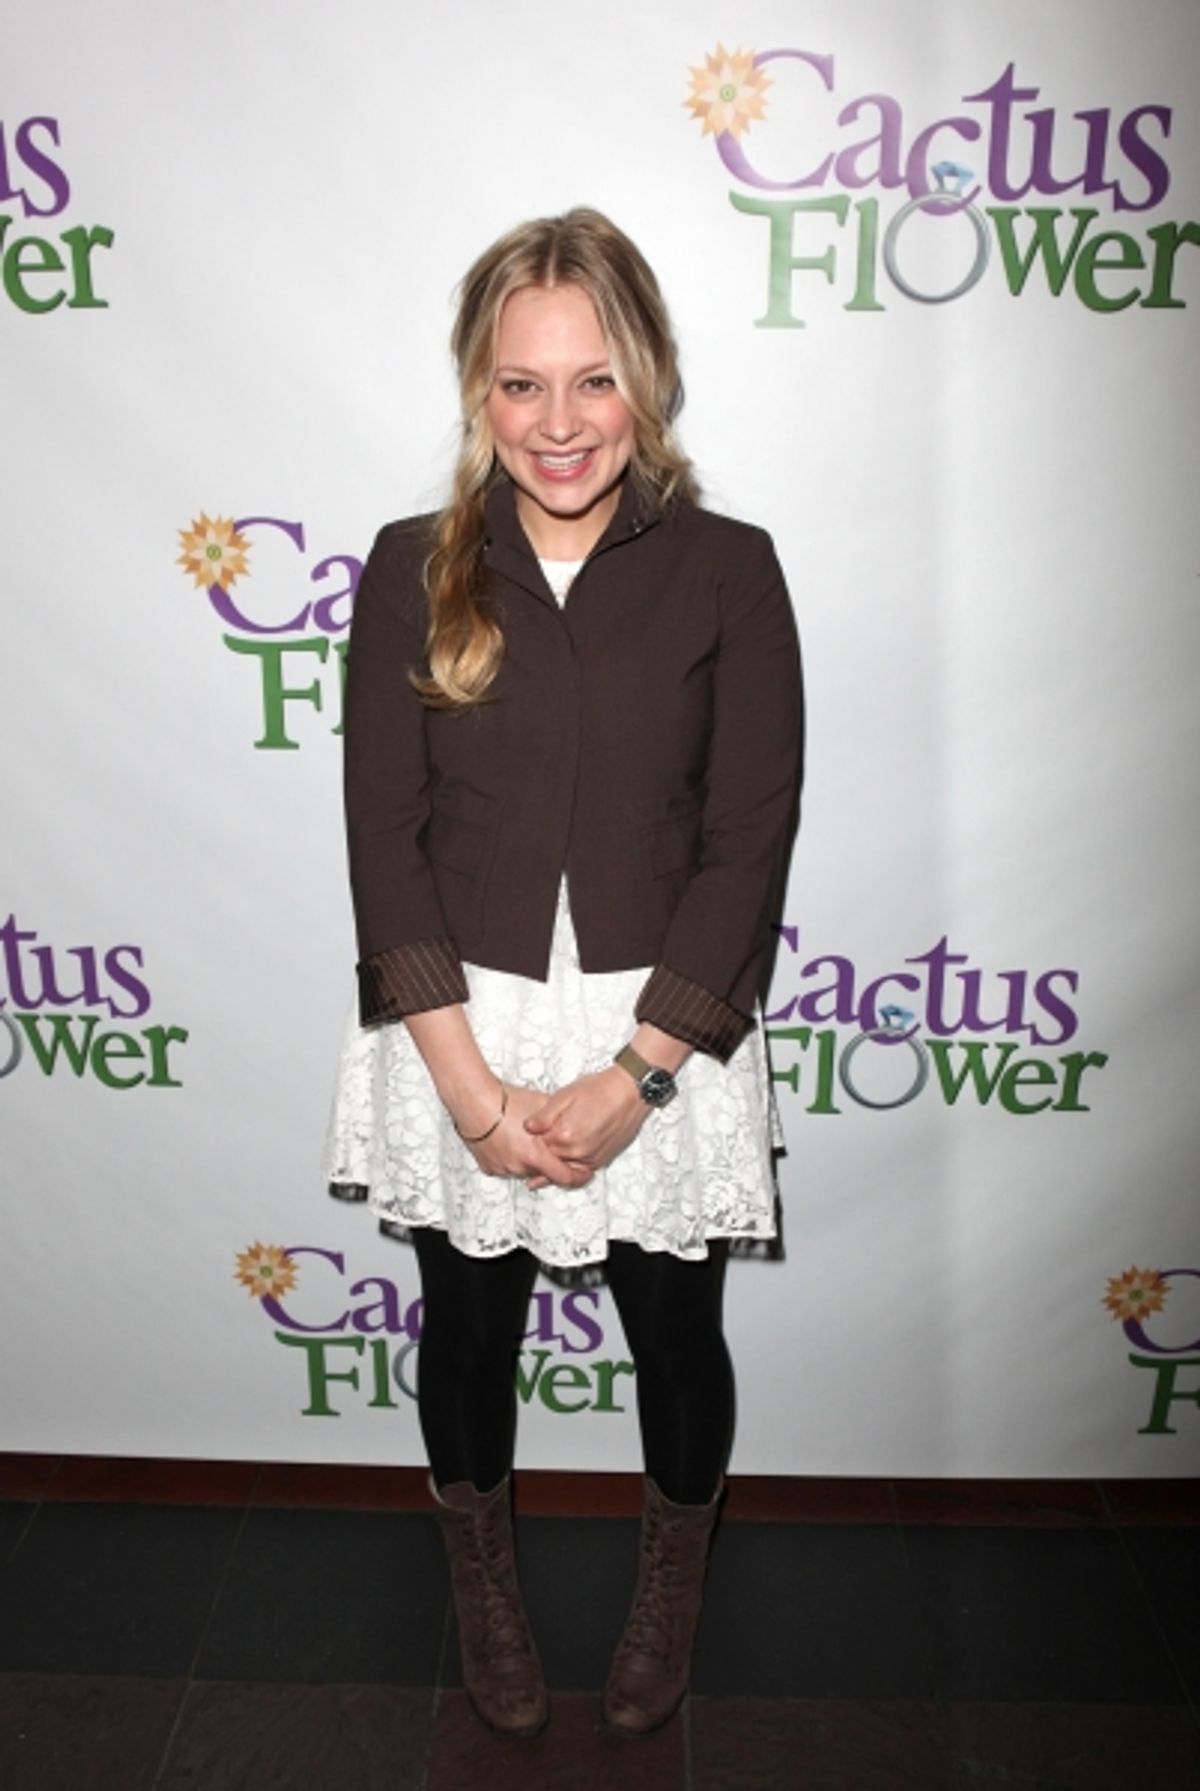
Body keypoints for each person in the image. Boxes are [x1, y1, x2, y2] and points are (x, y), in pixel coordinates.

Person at [324, 207, 803, 1740]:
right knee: (466, 1333)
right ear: (479, 390)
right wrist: (467, 1095)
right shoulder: (412, 567)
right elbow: (382, 841)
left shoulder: (732, 570)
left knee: (679, 1336)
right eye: (522, 386)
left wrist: (637, 1074)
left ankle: (671, 1577)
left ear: (644, 380)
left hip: (659, 1032)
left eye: (590, 382)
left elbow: (749, 841)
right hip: (461, 1017)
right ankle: (484, 1580)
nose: (558, 424)